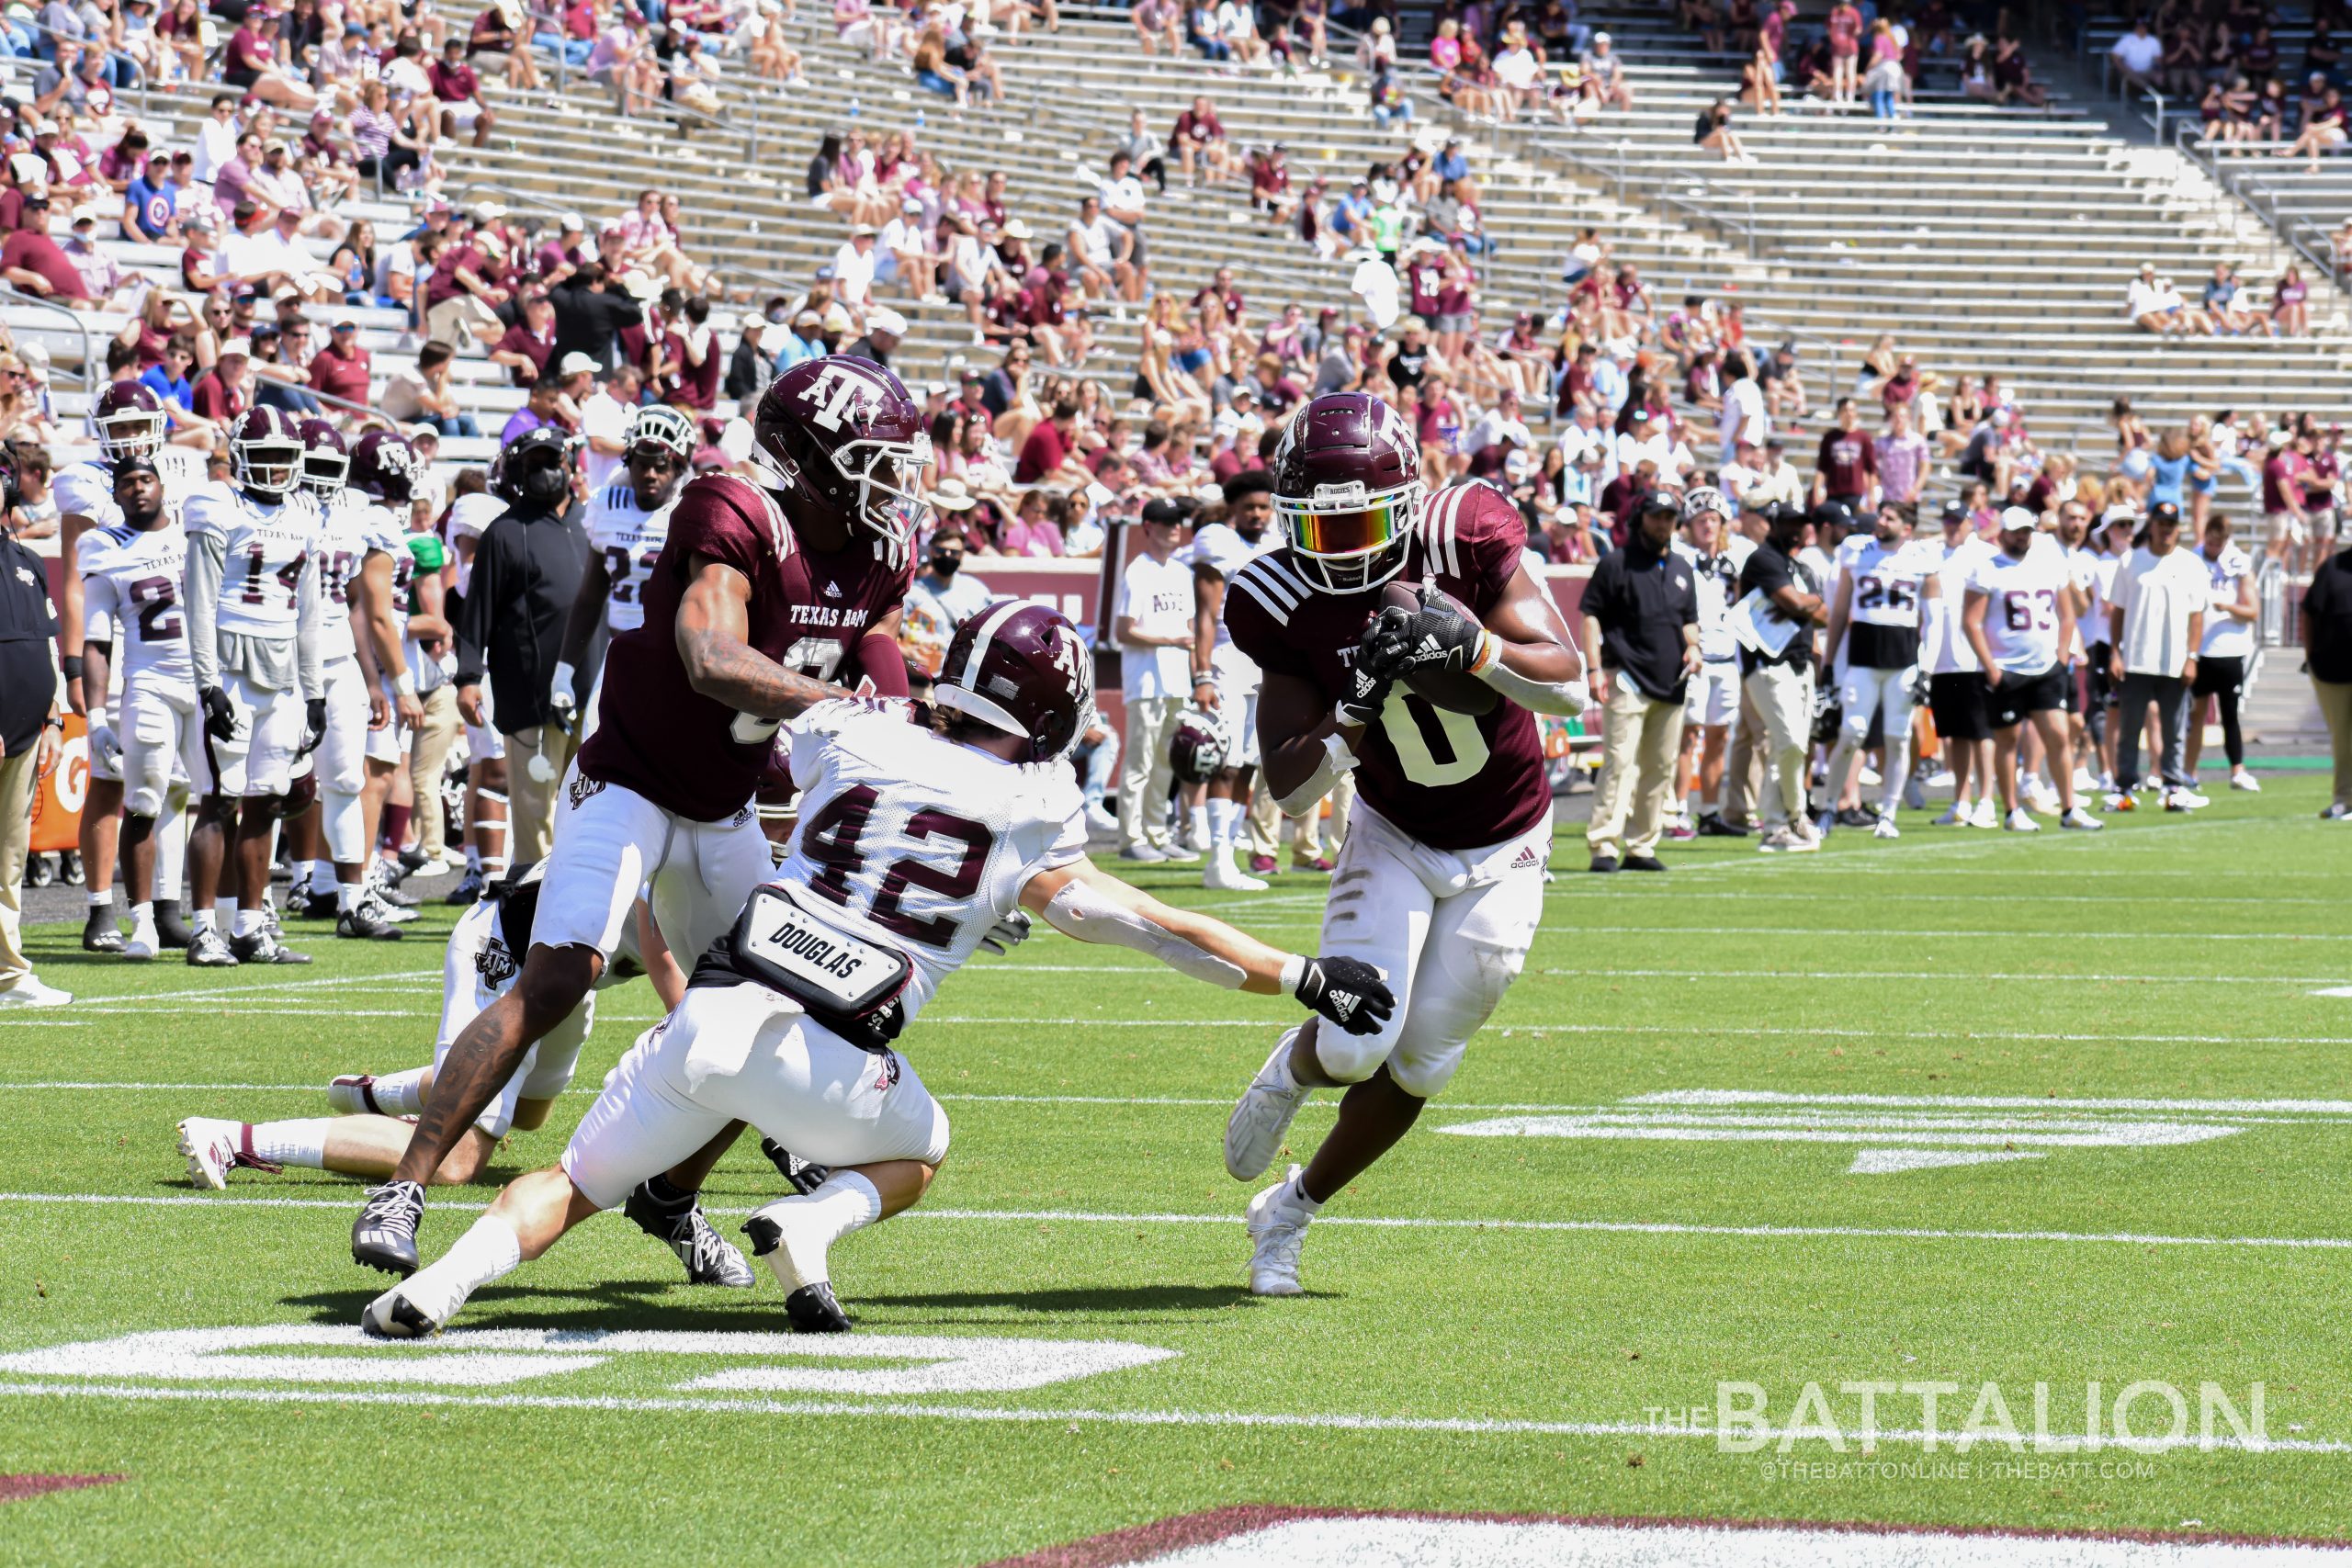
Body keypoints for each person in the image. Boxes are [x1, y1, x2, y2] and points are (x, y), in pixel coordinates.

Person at [364, 604, 1396, 1337]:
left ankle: (434, 1291)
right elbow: (1149, 927)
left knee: (566, 1187)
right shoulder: (1034, 804)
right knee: (925, 1148)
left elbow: (761, 742)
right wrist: (1305, 977)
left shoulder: (852, 728)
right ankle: (809, 1223)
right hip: (827, 1059)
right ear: (1047, 713)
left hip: (714, 1012)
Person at [350, 355, 924, 1280]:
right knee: (559, 977)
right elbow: (709, 655)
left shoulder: (880, 549)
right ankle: (405, 1186)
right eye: (870, 459)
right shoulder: (737, 511)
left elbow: (884, 663)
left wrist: (903, 741)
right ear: (807, 455)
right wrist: (841, 707)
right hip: (626, 784)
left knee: (772, 1011)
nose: (889, 482)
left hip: (723, 806)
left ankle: (670, 1195)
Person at [1217, 391, 1588, 1295]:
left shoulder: (1465, 529)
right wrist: (1356, 703)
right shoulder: (1273, 595)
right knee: (1352, 1044)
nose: (1340, 551)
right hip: (1392, 832)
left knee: (1419, 1059)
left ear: (1408, 504)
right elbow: (1292, 784)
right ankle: (1291, 1068)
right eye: (1321, 530)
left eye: (1362, 528)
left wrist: (1470, 652)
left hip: (1507, 836)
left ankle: (1291, 1208)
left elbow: (1568, 688)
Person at [180, 864, 688, 1192]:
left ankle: (379, 1096)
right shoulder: (663, 842)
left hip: (570, 975)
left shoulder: (719, 841)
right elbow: (680, 994)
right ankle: (236, 1137)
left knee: (531, 1113)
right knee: (456, 1160)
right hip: (510, 956)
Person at [285, 421, 416, 940]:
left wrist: (373, 679)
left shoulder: (359, 515)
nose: (318, 480)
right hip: (281, 658)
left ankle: (351, 901)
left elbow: (359, 604)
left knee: (346, 778)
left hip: (339, 657)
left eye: (328, 469)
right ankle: (257, 906)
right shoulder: (266, 511)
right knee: (269, 784)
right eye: (309, 467)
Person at [453, 427, 589, 866]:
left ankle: (581, 912)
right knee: (537, 814)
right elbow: (478, 612)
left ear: (569, 465)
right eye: (534, 465)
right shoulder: (505, 531)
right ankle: (534, 914)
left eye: (552, 462)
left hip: (594, 693)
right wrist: (469, 677)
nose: (546, 472)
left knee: (588, 810)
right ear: (518, 472)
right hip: (531, 693)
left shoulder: (593, 523)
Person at [551, 404, 698, 739]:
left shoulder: (691, 510)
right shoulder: (606, 505)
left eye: (659, 466)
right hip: (620, 653)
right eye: (642, 464)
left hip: (675, 659)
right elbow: (591, 596)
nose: (649, 475)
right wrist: (563, 673)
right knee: (596, 748)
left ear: (677, 466)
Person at [1962, 507, 2102, 832]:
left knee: (2058, 734)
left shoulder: (2049, 565)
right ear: (2002, 534)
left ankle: (2069, 807)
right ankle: (2012, 811)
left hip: (2045, 666)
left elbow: (2067, 616)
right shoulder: (1986, 570)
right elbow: (1971, 622)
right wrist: (1990, 667)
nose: (2022, 536)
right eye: (2016, 531)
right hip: (2006, 667)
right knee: (2008, 739)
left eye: (2026, 530)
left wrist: (2062, 655)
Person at [1580, 491, 1699, 873]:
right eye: (1656, 516)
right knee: (1618, 762)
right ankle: (1603, 844)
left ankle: (1641, 845)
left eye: (1669, 516)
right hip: (1627, 676)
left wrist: (1694, 647)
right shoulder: (1615, 564)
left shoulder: (1682, 568)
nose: (1663, 523)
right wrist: (1595, 669)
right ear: (1640, 518)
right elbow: (1591, 615)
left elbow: (1689, 620)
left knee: (1661, 767)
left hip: (1672, 681)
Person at [0, 451, 71, 1007]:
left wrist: (52, 717)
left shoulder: (27, 559)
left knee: (10, 857)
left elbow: (43, 643)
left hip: (26, 731)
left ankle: (9, 975)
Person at [1820, 501, 1932, 837]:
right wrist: (1828, 662)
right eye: (1881, 515)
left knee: (1898, 738)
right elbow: (1839, 611)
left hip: (1902, 661)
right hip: (1863, 659)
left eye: (1889, 517)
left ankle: (1889, 814)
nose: (1880, 521)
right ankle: (1827, 808)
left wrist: (1926, 668)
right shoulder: (1856, 551)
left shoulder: (1923, 556)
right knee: (1852, 732)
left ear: (1907, 528)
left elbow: (1934, 619)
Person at [1187, 470, 1276, 891]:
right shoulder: (1216, 540)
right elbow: (1205, 613)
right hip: (1228, 657)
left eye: (1263, 507)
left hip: (1268, 663)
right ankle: (1218, 860)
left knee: (1250, 764)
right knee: (1226, 761)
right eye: (1249, 508)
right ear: (1233, 510)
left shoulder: (1280, 541)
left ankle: (1228, 858)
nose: (1257, 515)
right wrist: (1202, 674)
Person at [2106, 502, 2210, 812]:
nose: (2166, 529)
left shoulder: (2190, 564)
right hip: (2136, 657)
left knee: (2174, 728)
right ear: (2151, 525)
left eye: (2172, 524)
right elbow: (2118, 611)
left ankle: (2172, 785)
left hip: (2174, 660)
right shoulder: (2131, 562)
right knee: (2130, 726)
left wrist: (2192, 656)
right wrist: (2115, 651)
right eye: (2162, 523)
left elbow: (2196, 616)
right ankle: (2125, 787)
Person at [1737, 498, 1826, 852]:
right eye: (1788, 522)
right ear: (1773, 524)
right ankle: (1790, 817)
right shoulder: (1764, 559)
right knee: (1789, 741)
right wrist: (1804, 604)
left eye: (1800, 522)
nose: (1795, 529)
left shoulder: (1801, 568)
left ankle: (1783, 823)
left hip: (1802, 665)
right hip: (1767, 664)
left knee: (1791, 747)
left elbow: (1822, 614)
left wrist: (1805, 604)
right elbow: (1796, 603)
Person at [1114, 496, 1199, 863]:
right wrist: (1171, 641)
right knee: (1140, 761)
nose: (1175, 527)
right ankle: (1130, 838)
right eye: (1166, 522)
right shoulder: (1138, 571)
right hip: (1146, 681)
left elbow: (1192, 630)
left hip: (1177, 680)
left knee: (1167, 760)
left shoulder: (1181, 572)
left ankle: (1157, 833)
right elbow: (1123, 631)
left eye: (1178, 520)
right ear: (1148, 527)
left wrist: (1198, 675)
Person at [1673, 487, 1751, 835]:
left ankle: (1709, 810)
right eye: (1700, 519)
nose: (1707, 525)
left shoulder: (1739, 556)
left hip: (1727, 656)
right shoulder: (1680, 556)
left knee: (1719, 736)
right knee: (1688, 735)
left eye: (1713, 519)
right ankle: (1677, 811)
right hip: (1696, 656)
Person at [2187, 513, 2259, 794]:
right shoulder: (2192, 560)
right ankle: (2189, 772)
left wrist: (2227, 606)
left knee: (2230, 714)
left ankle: (2237, 771)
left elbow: (2251, 611)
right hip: (2200, 648)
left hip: (2229, 648)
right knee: (2196, 714)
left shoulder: (2238, 563)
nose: (2214, 546)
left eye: (2219, 541)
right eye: (2211, 539)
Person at [2305, 530, 2352, 818]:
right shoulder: (2332, 568)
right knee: (2342, 739)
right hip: (2332, 670)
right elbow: (2309, 611)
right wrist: (2310, 657)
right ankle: (2344, 799)